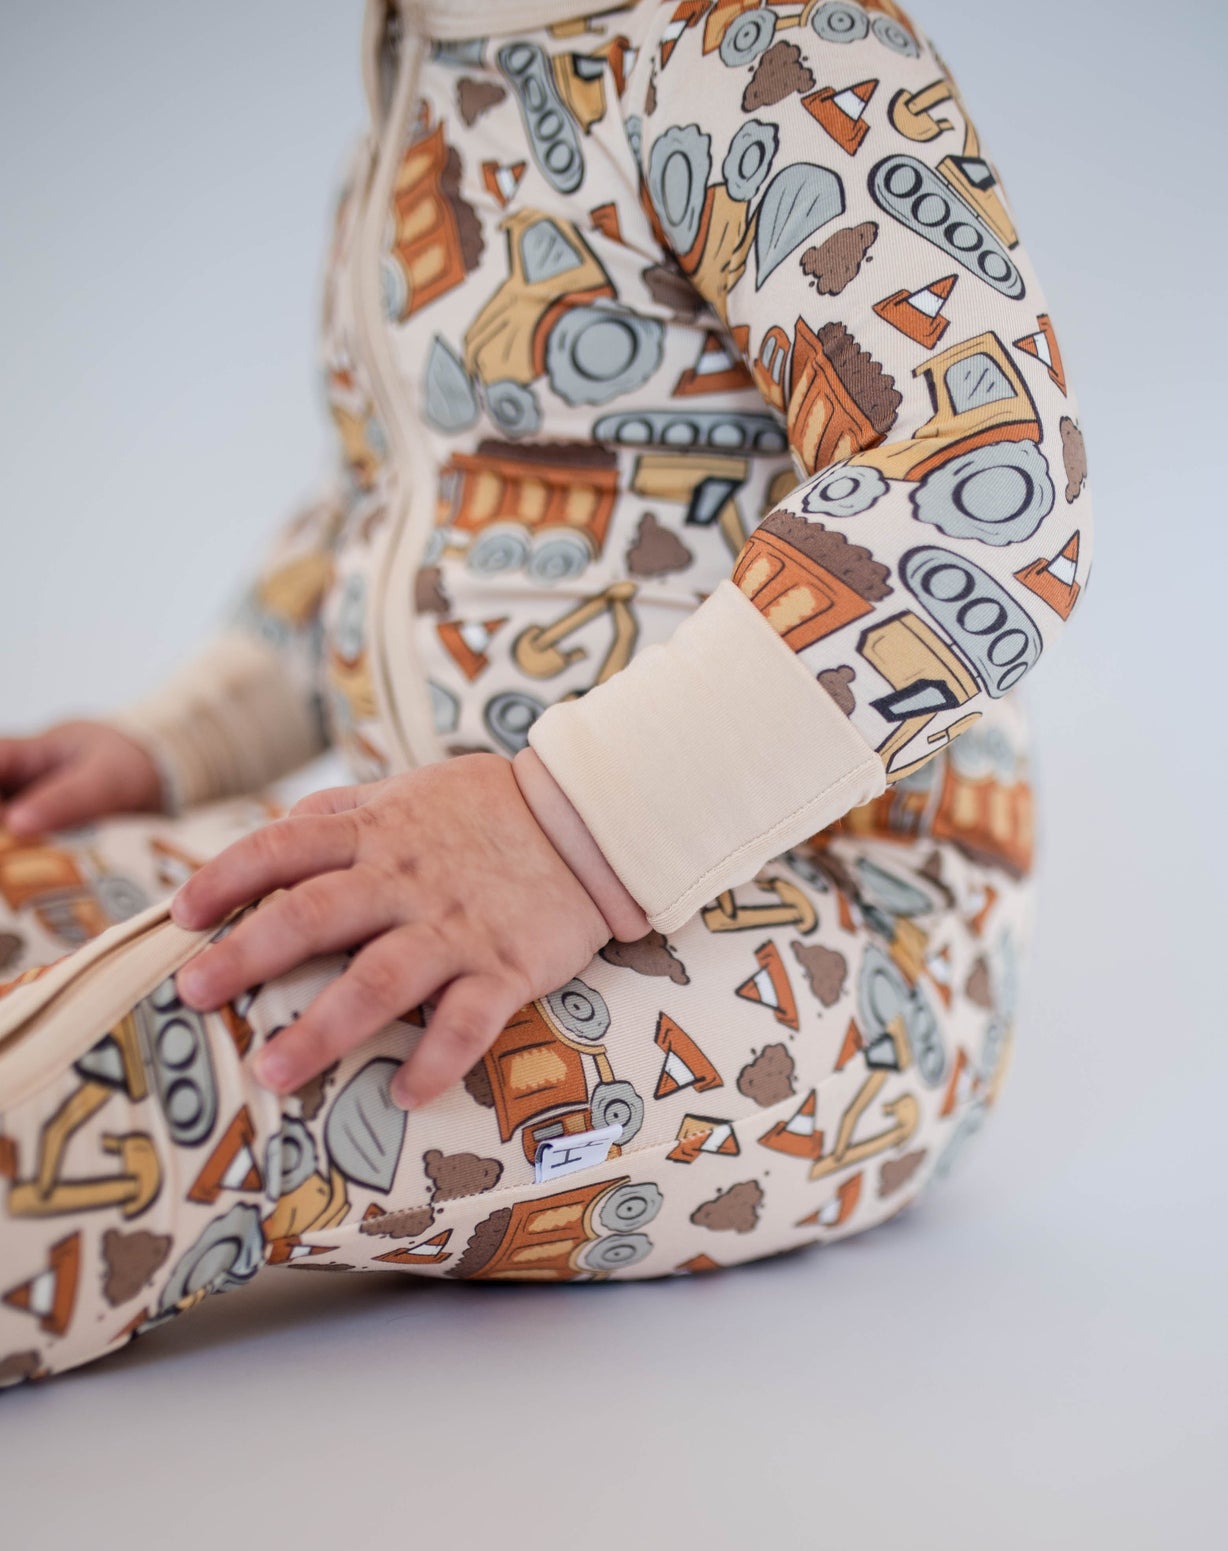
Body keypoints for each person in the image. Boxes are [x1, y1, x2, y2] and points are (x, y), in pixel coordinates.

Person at [0, 0, 1093, 1386]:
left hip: (827, 939)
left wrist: (563, 828)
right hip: (461, 870)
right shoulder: (430, 73)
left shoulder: (757, 45)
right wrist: (178, 742)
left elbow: (986, 490)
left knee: (201, 1048)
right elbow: (386, 521)